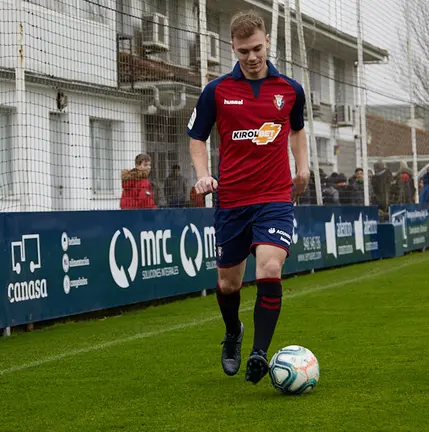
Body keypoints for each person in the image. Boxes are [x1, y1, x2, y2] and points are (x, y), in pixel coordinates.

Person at [186, 10, 310, 385]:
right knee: (228, 284)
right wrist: (203, 174)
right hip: (232, 201)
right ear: (232, 48)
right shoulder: (216, 91)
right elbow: (197, 137)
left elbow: (297, 130)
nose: (252, 57)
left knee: (269, 267)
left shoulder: (291, 89)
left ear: (267, 41)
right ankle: (233, 332)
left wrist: (303, 168)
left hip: (274, 197)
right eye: (244, 51)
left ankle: (259, 353)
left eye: (257, 48)